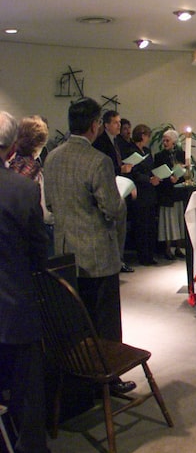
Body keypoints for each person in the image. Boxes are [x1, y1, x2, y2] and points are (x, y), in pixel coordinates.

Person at [43, 97, 135, 395]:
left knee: (77, 321)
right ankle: (108, 380)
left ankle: (80, 381)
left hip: (65, 254)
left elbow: (50, 204)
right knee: (105, 321)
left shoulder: (52, 157)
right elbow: (112, 208)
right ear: (95, 126)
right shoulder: (98, 160)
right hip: (97, 253)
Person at [0, 110, 52, 453]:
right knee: (26, 387)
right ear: (12, 146)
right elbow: (39, 252)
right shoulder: (21, 189)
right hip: (14, 304)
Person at [93, 109, 134, 273]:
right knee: (114, 227)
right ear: (107, 124)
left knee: (120, 227)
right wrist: (121, 168)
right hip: (109, 188)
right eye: (116, 122)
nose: (119, 125)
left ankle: (119, 259)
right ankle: (116, 260)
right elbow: (104, 167)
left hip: (119, 187)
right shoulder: (101, 142)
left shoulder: (115, 141)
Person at [7, 114, 55, 255]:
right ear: (39, 144)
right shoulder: (35, 171)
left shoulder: (11, 164)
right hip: (33, 231)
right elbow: (45, 214)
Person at [125, 124, 160, 265]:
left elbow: (150, 168)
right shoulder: (130, 150)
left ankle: (150, 254)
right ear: (142, 135)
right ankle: (143, 255)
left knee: (150, 224)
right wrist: (149, 179)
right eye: (147, 136)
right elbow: (133, 173)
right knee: (141, 225)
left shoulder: (146, 150)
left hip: (150, 191)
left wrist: (156, 177)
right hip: (139, 191)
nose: (148, 139)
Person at [154, 128, 187, 260]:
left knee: (179, 220)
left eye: (167, 140)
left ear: (174, 142)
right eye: (163, 141)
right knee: (168, 222)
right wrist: (169, 178)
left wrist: (178, 177)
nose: (165, 143)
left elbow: (186, 172)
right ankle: (168, 248)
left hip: (178, 192)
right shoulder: (159, 156)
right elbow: (157, 173)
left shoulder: (181, 154)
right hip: (166, 192)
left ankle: (178, 247)